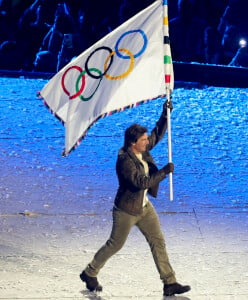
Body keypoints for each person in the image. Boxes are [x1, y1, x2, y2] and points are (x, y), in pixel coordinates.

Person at [80, 100, 191, 297]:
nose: (147, 142)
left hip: (144, 208)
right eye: (143, 140)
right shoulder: (125, 161)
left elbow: (157, 134)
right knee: (115, 244)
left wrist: (165, 115)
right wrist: (164, 172)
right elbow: (140, 182)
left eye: (146, 139)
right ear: (133, 143)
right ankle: (89, 272)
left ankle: (170, 282)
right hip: (126, 211)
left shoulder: (142, 150)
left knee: (158, 241)